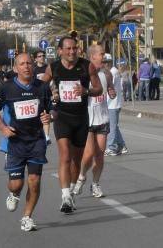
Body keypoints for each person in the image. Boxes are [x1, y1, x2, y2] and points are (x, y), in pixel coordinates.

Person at [0, 53, 52, 232]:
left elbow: (54, 110)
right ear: (15, 68)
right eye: (22, 64)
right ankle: (14, 193)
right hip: (15, 143)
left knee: (34, 181)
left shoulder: (42, 87)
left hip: (36, 141)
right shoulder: (7, 88)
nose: (26, 66)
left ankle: (27, 217)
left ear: (33, 66)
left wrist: (50, 116)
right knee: (17, 184)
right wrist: (3, 128)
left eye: (29, 63)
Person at [42, 35, 102, 213]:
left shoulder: (86, 66)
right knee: (65, 156)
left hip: (81, 118)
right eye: (67, 48)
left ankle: (72, 191)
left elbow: (99, 89)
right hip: (62, 117)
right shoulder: (53, 68)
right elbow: (40, 86)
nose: (71, 51)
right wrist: (50, 92)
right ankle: (65, 196)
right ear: (60, 50)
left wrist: (87, 91)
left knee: (76, 161)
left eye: (74, 48)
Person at [73, 44, 115, 198]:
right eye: (101, 54)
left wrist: (112, 92)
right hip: (88, 120)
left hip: (103, 119)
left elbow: (110, 89)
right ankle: (81, 177)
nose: (104, 57)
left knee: (100, 154)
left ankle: (95, 184)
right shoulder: (83, 75)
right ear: (92, 57)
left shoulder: (107, 74)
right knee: (89, 154)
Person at [103, 54, 128, 156]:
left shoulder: (112, 72)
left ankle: (112, 147)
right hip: (112, 103)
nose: (103, 64)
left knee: (111, 127)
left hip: (113, 104)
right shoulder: (112, 71)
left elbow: (106, 86)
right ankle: (122, 145)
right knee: (114, 126)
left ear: (108, 62)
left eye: (104, 62)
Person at [34, 50, 51, 145]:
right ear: (36, 59)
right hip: (37, 95)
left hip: (47, 93)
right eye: (39, 56)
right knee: (38, 115)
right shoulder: (34, 70)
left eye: (43, 56)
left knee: (46, 113)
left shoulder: (48, 68)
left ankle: (47, 136)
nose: (42, 57)